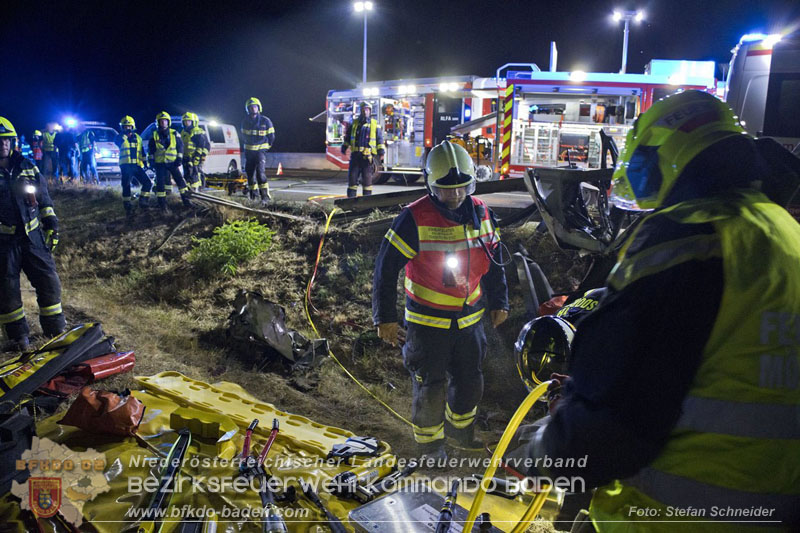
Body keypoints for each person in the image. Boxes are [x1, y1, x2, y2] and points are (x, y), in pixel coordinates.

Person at [515, 90, 800, 531]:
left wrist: (543, 451)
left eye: (646, 161)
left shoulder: (689, 238)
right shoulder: (782, 233)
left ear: (676, 158)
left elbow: (618, 412)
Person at [372, 140, 509, 458]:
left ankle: (461, 434)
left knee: (470, 381)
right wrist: (385, 318)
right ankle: (430, 446)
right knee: (430, 385)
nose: (456, 195)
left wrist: (500, 301)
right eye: (447, 190)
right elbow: (385, 267)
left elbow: (496, 260)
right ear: (432, 185)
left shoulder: (482, 213)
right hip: (427, 323)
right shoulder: (413, 217)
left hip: (470, 320)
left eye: (463, 187)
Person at [0, 117, 65, 352]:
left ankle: (55, 330)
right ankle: (18, 337)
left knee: (49, 282)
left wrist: (52, 224)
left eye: (6, 140)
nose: (3, 145)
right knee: (7, 292)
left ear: (12, 141)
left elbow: (44, 198)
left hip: (33, 237)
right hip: (4, 243)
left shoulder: (27, 165)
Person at [148, 111, 190, 211]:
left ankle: (187, 202)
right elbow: (151, 151)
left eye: (165, 121)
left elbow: (180, 147)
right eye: (161, 121)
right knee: (160, 186)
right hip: (160, 164)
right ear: (158, 123)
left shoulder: (174, 133)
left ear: (168, 122)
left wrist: (179, 158)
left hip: (173, 163)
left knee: (181, 182)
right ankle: (163, 206)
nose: (163, 123)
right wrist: (151, 162)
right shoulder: (154, 135)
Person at [342, 102, 385, 198]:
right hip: (355, 156)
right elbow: (348, 137)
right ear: (360, 111)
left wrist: (381, 152)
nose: (365, 111)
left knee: (367, 182)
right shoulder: (355, 123)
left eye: (367, 109)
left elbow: (379, 139)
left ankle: (367, 203)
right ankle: (351, 202)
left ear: (370, 111)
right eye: (364, 109)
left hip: (367, 158)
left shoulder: (374, 124)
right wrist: (344, 147)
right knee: (352, 180)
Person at [115, 116, 152, 215]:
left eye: (129, 126)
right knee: (126, 185)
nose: (127, 128)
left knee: (148, 183)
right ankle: (127, 205)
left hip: (136, 165)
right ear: (122, 128)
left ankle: (143, 201)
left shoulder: (138, 138)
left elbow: (142, 152)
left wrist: (145, 163)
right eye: (125, 127)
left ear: (133, 126)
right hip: (126, 166)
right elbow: (118, 142)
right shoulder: (120, 137)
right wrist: (125, 135)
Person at [241, 97, 275, 206]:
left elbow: (271, 137)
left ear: (258, 108)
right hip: (249, 153)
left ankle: (265, 196)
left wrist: (265, 148)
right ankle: (253, 196)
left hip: (260, 152)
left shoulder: (266, 121)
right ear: (248, 109)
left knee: (260, 174)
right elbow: (243, 136)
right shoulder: (245, 122)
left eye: (255, 107)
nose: (253, 109)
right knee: (250, 174)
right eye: (251, 107)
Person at [180, 112, 209, 191]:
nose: (187, 123)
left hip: (196, 157)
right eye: (185, 121)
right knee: (187, 173)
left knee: (196, 173)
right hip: (186, 157)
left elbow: (203, 146)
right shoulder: (183, 132)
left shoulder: (198, 132)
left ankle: (198, 189)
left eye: (189, 121)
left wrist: (199, 156)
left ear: (194, 122)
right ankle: (189, 189)